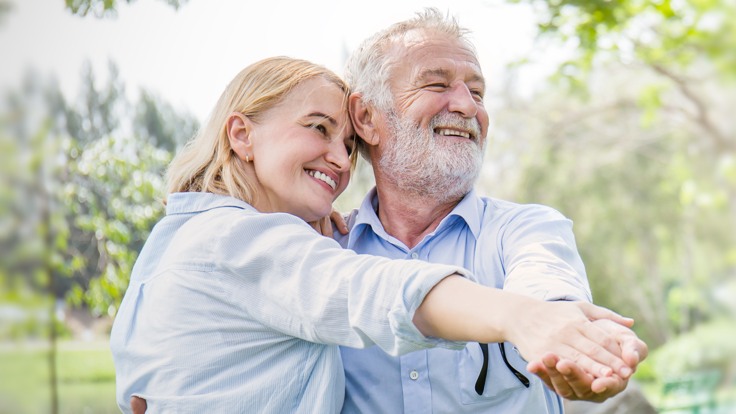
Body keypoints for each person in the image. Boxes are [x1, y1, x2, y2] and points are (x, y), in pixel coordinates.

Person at [113, 56, 641, 413]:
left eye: (347, 143)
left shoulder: (181, 240)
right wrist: (524, 318)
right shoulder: (238, 243)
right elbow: (372, 290)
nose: (340, 159)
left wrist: (562, 321)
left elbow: (546, 276)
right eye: (318, 129)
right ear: (241, 134)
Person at [335, 8, 647, 413]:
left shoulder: (529, 228)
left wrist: (575, 341)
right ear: (365, 117)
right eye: (436, 83)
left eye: (478, 93)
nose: (468, 106)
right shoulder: (326, 250)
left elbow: (548, 288)